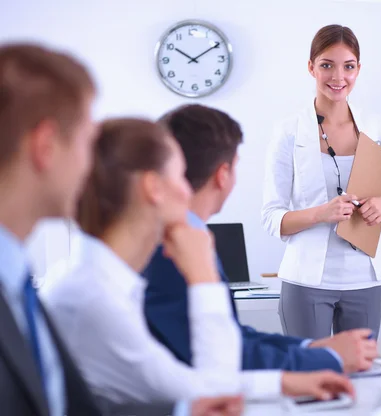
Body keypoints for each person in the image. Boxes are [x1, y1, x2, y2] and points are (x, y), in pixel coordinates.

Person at [41, 117, 355, 408]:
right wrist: (203, 274)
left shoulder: (99, 282)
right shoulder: (94, 297)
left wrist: (284, 382)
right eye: (179, 175)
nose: (186, 188)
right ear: (153, 188)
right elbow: (211, 392)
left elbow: (184, 385)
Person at [0, 43, 238, 416]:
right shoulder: (74, 292)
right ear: (46, 147)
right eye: (86, 141)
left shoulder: (18, 282)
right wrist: (204, 276)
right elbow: (215, 392)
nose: (91, 165)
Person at [143, 104, 377, 374]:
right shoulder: (172, 249)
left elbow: (229, 336)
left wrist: (310, 349)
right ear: (223, 175)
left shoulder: (184, 236)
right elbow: (221, 354)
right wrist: (327, 359)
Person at [261, 24, 381, 341]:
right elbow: (272, 217)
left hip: (365, 279)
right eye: (327, 65)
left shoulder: (377, 127)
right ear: (311, 67)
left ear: (358, 69)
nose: (338, 77)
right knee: (310, 378)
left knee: (360, 382)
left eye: (348, 66)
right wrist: (321, 214)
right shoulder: (289, 130)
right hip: (307, 281)